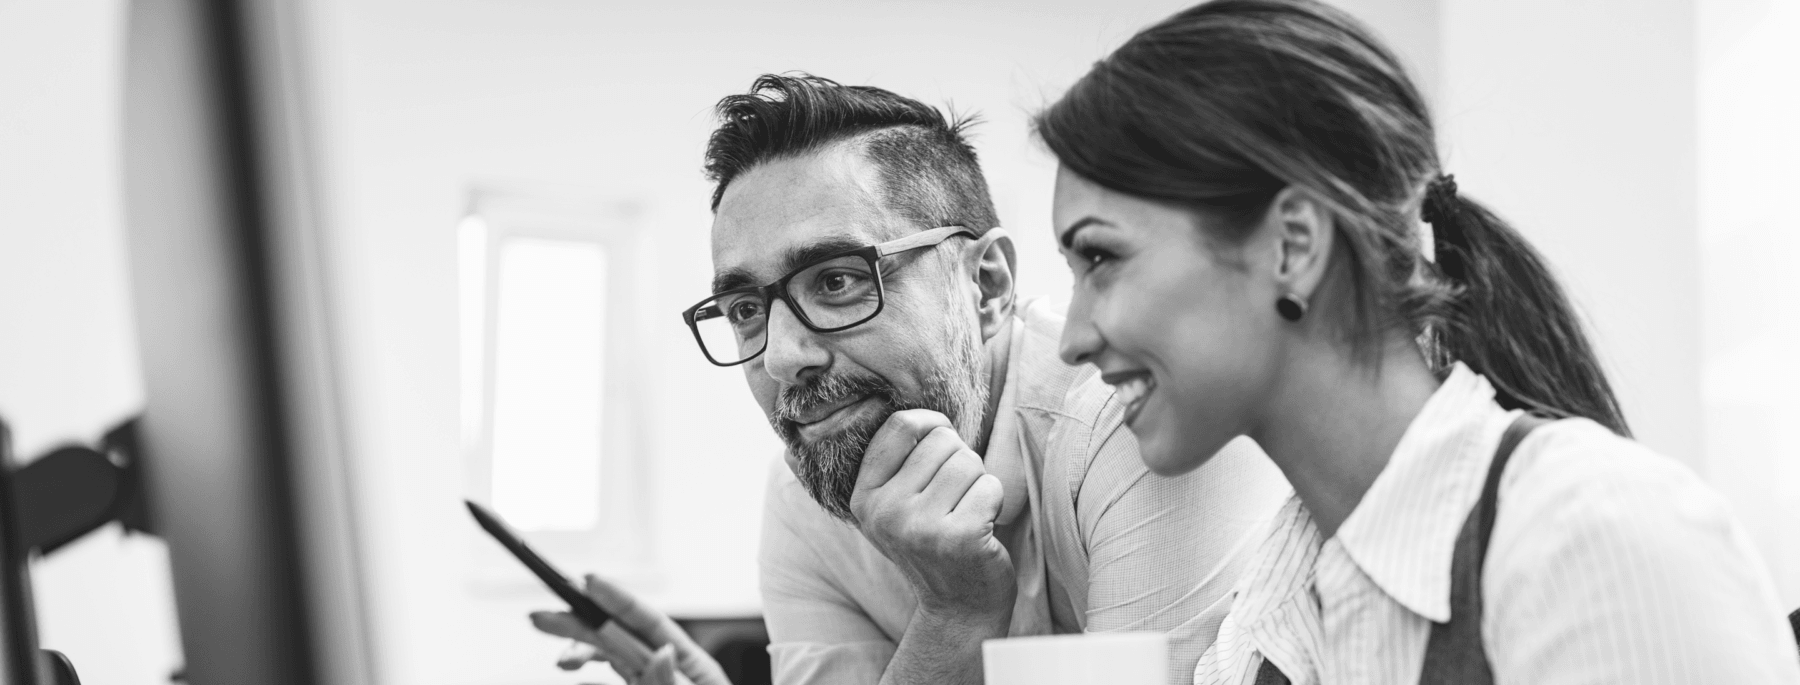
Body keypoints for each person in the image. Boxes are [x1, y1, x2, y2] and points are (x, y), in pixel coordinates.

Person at [1034, 0, 1800, 683]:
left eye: (1101, 257)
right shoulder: (1279, 606)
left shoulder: (1592, 542)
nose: (1070, 339)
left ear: (1292, 245)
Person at [532, 74, 1289, 685]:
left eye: (835, 281)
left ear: (987, 285)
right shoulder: (807, 493)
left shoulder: (1135, 418)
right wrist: (954, 612)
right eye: (744, 307)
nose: (781, 357)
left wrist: (954, 612)